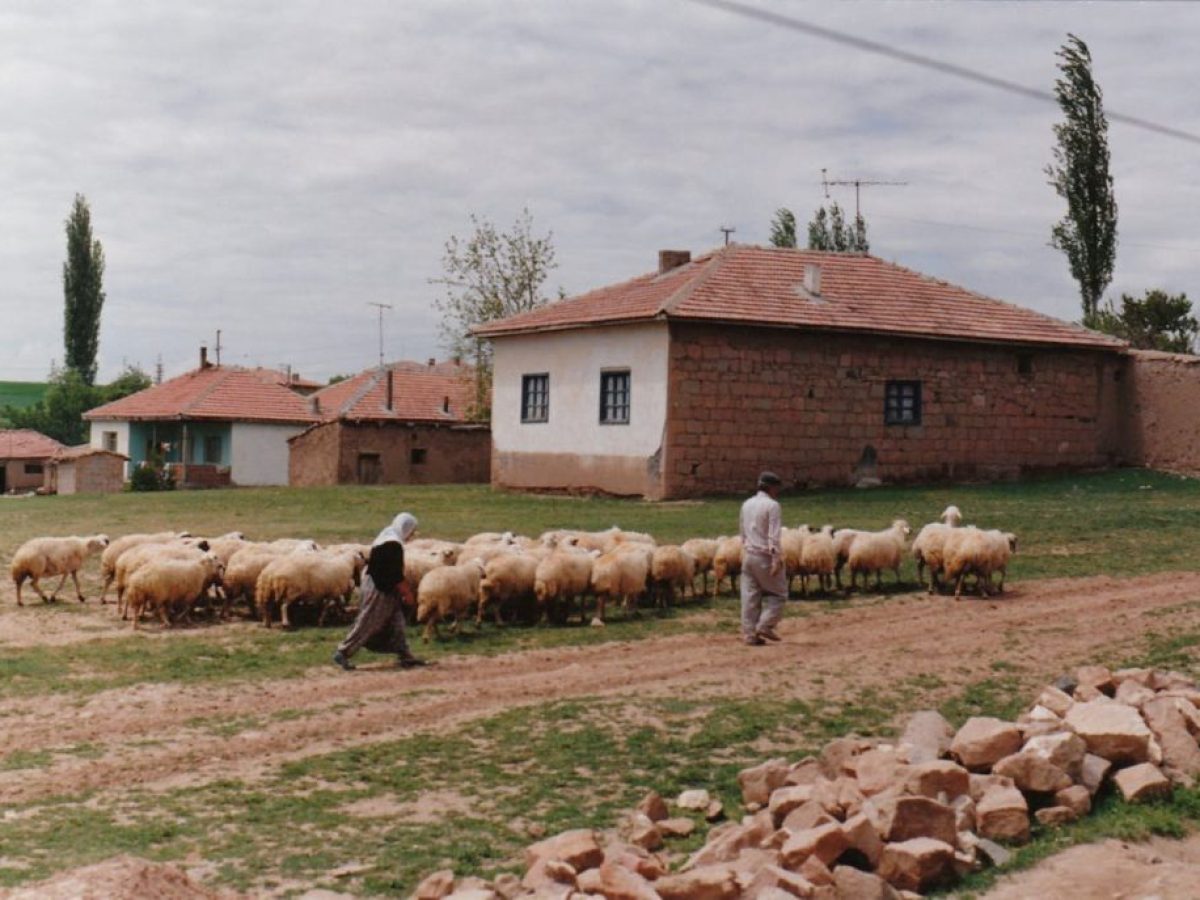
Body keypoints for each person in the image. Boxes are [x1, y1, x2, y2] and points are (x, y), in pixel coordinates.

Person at [332, 512, 425, 671]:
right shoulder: (392, 544)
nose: (412, 535)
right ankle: (343, 651)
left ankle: (405, 655)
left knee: (397, 621)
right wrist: (407, 593)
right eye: (412, 530)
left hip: (384, 585)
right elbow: (394, 573)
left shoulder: (386, 537)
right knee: (370, 620)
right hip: (379, 588)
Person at [739, 471, 787, 646]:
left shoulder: (746, 504)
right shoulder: (772, 506)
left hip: (748, 555)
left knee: (750, 596)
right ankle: (765, 625)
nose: (778, 491)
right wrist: (776, 558)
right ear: (771, 487)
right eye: (776, 488)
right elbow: (773, 534)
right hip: (764, 556)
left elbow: (742, 531)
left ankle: (749, 634)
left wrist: (745, 548)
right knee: (779, 594)